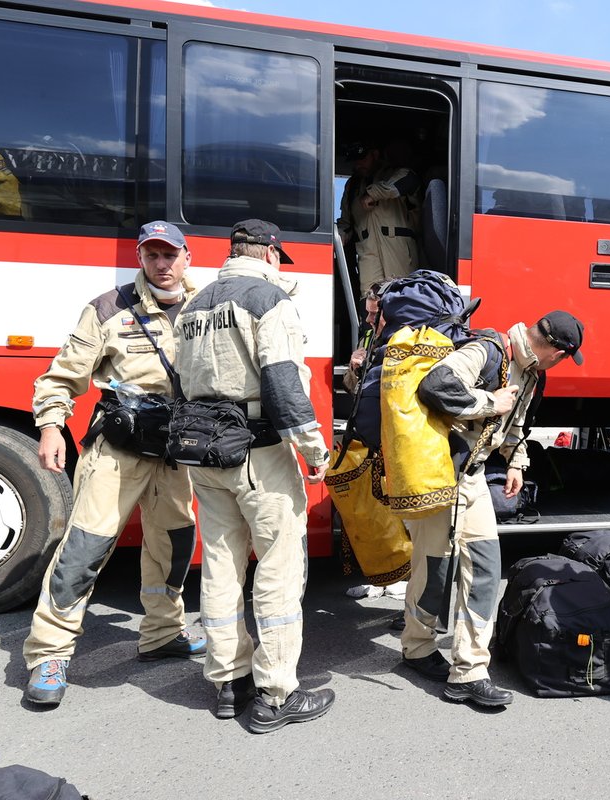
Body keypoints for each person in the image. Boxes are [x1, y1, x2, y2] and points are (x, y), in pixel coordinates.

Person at [24, 221, 204, 707]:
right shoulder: (107, 308)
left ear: (187, 257)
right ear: (141, 260)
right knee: (85, 549)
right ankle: (49, 653)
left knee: (174, 544)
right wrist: (49, 425)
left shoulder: (207, 307)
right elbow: (60, 378)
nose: (162, 265)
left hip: (175, 451)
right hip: (117, 449)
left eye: (170, 255)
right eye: (152, 256)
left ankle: (162, 633)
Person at [173, 219, 334, 734]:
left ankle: (228, 682)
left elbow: (180, 385)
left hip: (204, 453)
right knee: (278, 569)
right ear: (269, 253)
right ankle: (276, 693)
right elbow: (283, 383)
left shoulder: (193, 306)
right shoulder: (268, 299)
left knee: (220, 565)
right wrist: (314, 452)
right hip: (256, 453)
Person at [400, 310, 585, 707]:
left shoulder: (533, 371)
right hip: (441, 475)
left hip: (474, 476)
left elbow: (517, 423)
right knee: (434, 570)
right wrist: (490, 402)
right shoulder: (487, 351)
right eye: (565, 356)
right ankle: (416, 647)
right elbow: (435, 386)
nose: (561, 363)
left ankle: (467, 672)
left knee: (485, 568)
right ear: (554, 349)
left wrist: (516, 461)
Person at [338, 141, 421, 289]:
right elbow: (346, 223)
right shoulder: (352, 186)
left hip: (399, 254)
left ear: (375, 155)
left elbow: (408, 180)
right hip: (368, 257)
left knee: (402, 299)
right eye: (355, 160)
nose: (358, 164)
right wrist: (338, 238)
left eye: (362, 158)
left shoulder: (396, 174)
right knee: (369, 303)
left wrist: (373, 193)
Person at [342, 282, 385, 394]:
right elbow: (351, 389)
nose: (367, 319)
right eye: (367, 312)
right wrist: (355, 369)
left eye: (374, 313)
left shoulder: (411, 340)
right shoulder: (367, 340)